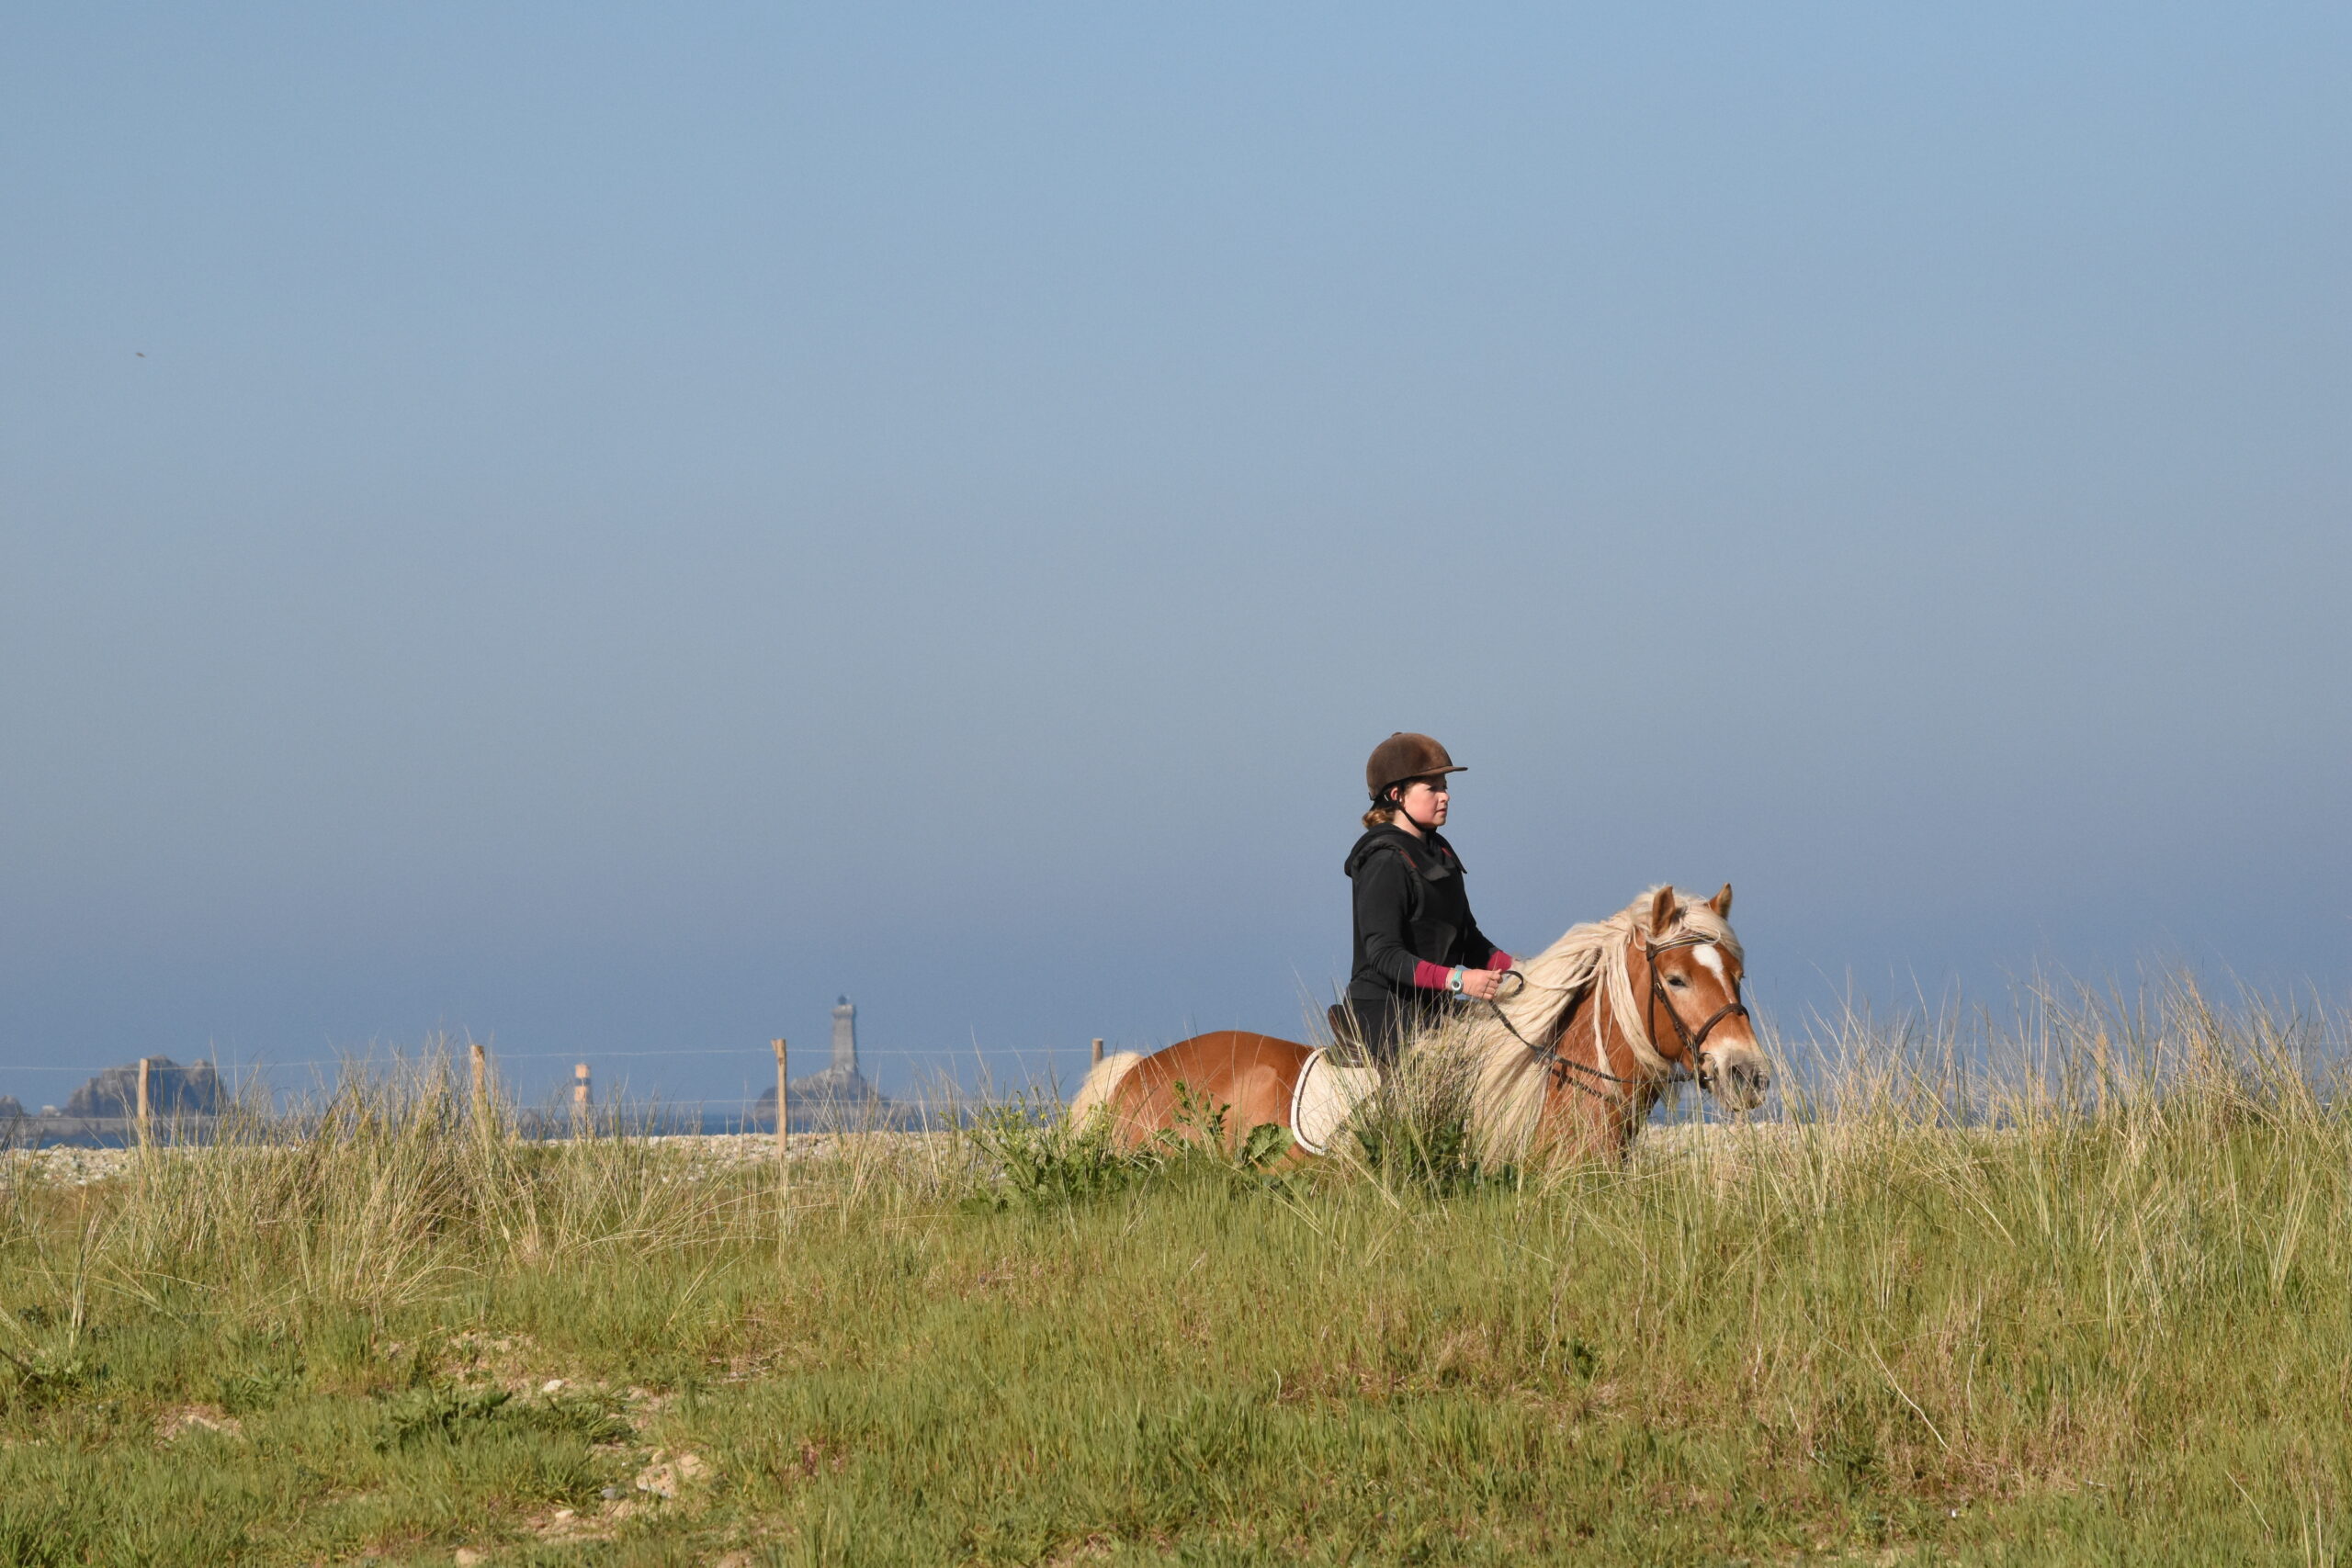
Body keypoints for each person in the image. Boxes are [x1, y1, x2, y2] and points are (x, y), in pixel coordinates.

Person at [1337, 732, 1514, 1066]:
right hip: (1384, 1011)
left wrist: (1524, 970)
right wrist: (1459, 980)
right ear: (1396, 795)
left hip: (1434, 1005)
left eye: (1445, 786)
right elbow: (1385, 955)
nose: (1445, 796)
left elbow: (1469, 941)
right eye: (1432, 788)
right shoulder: (1384, 860)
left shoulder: (1440, 854)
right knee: (1433, 1075)